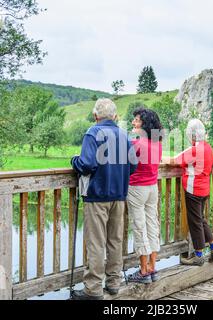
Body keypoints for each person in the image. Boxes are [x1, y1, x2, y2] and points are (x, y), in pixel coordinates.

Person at [70, 98, 137, 300]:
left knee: (96, 242)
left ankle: (92, 289)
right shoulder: (124, 135)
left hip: (97, 196)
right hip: (119, 195)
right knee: (115, 241)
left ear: (95, 116)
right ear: (115, 116)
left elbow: (87, 164)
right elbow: (133, 165)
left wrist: (74, 161)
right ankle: (114, 283)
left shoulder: (93, 133)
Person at [163, 119, 213, 266]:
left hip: (193, 190)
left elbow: (173, 160)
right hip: (204, 189)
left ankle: (198, 256)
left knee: (195, 222)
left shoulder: (195, 149)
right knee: (201, 219)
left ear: (192, 135)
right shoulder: (208, 148)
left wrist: (157, 157)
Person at [126, 108, 163, 283]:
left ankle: (143, 271)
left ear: (145, 124)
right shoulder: (157, 143)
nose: (133, 122)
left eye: (137, 120)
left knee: (139, 226)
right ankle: (152, 267)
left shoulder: (137, 144)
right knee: (152, 225)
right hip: (152, 187)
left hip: (136, 188)